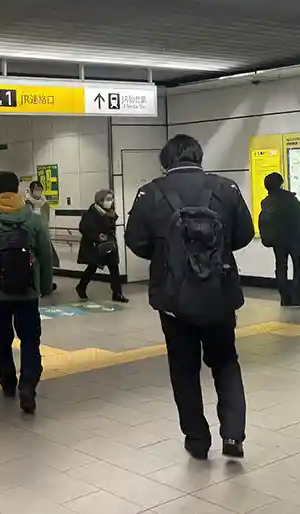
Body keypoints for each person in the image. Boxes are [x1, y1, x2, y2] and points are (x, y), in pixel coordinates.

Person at [125, 134, 254, 460]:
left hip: (173, 298)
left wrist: (168, 255)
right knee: (225, 361)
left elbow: (135, 241)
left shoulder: (150, 192)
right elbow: (244, 234)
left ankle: (197, 440)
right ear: (199, 156)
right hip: (220, 293)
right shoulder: (227, 188)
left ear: (165, 161)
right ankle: (233, 435)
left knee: (183, 368)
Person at [0, 171, 54, 414]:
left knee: (2, 336)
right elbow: (46, 254)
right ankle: (28, 385)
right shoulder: (32, 217)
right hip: (28, 291)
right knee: (30, 338)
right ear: (17, 189)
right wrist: (45, 286)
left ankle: (7, 379)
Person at [258, 172, 300, 309]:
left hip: (277, 241)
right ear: (281, 184)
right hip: (294, 239)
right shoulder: (290, 199)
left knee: (281, 268)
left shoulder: (266, 202)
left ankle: (285, 298)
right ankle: (297, 297)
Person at [75, 189, 127, 303]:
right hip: (95, 245)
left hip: (109, 244)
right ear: (100, 200)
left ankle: (117, 293)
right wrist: (97, 236)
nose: (110, 202)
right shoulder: (90, 213)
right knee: (92, 267)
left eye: (111, 199)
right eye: (107, 199)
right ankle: (81, 286)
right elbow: (83, 228)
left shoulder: (110, 213)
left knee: (114, 268)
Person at [25, 181, 60, 293]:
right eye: (36, 189)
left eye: (40, 189)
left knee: (47, 261)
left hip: (44, 233)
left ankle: (46, 286)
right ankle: (35, 286)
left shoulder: (45, 204)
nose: (38, 192)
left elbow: (46, 219)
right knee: (34, 262)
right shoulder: (26, 203)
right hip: (30, 235)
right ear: (31, 190)